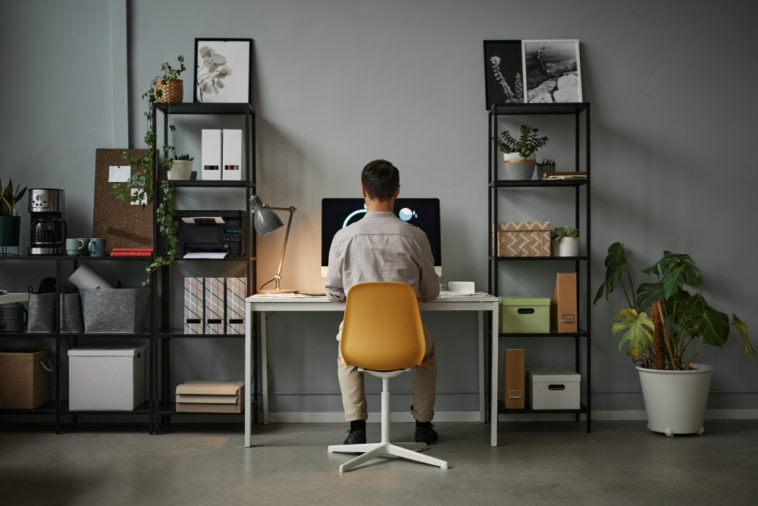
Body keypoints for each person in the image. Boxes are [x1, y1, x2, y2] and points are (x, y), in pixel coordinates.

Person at [325, 159, 440, 445]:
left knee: (345, 351)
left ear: (363, 191)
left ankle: (356, 428)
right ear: (397, 191)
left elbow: (333, 293)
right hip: (407, 343)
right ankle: (423, 425)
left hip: (360, 343)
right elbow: (432, 293)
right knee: (427, 353)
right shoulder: (416, 236)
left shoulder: (343, 237)